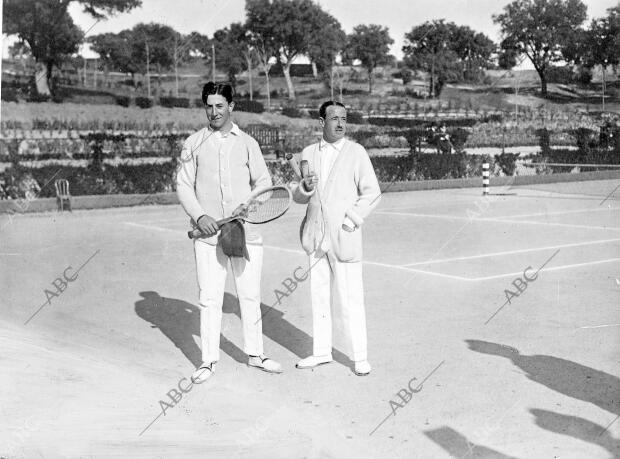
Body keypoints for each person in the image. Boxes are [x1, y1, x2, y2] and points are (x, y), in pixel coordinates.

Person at [176, 81, 282, 383]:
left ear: (231, 106)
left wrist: (249, 205)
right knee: (209, 298)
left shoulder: (248, 143)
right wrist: (200, 215)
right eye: (209, 106)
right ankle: (208, 360)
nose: (214, 112)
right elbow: (184, 185)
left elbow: (263, 183)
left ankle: (256, 354)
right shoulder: (193, 143)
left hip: (245, 232)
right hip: (208, 236)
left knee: (249, 295)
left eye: (219, 106)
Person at [293, 101, 381, 376]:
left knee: (350, 297)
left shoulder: (356, 152)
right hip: (316, 234)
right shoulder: (308, 153)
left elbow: (372, 192)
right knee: (319, 296)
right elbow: (298, 195)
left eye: (344, 118)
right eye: (334, 118)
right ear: (322, 122)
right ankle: (321, 352)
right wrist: (304, 190)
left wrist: (350, 220)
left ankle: (359, 356)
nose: (340, 124)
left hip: (344, 236)